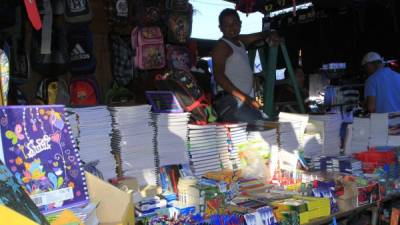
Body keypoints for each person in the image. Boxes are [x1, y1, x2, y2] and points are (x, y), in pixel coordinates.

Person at [212, 8, 280, 124]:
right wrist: (244, 97)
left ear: (240, 24)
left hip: (241, 102)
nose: (231, 27)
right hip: (231, 103)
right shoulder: (222, 46)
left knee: (267, 126)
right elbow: (218, 75)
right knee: (264, 127)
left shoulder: (239, 41)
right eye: (226, 25)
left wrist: (271, 32)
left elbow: (258, 35)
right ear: (220, 28)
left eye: (235, 23)